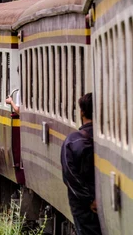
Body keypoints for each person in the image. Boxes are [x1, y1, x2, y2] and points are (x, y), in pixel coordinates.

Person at [60, 93, 102, 235]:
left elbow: (69, 175)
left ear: (81, 112)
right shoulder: (106, 142)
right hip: (106, 201)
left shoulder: (73, 141)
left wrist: (90, 200)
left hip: (83, 206)